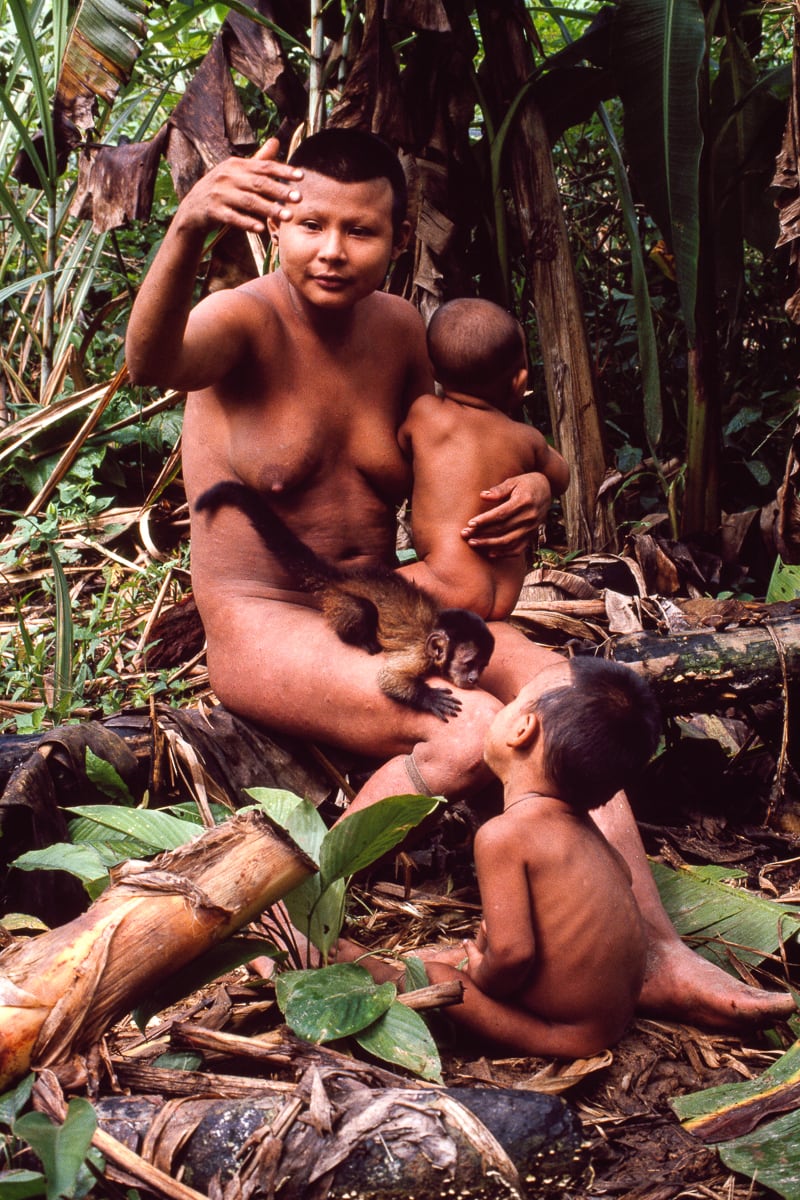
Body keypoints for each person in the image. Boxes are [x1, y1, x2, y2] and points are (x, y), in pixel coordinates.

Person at [126, 127, 796, 1032]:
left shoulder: (402, 331)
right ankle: (310, 923)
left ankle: (658, 952)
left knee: (571, 692)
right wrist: (185, 230)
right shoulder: (242, 320)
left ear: (399, 238)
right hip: (268, 616)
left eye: (359, 231)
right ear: (276, 224)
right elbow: (151, 364)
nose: (332, 250)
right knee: (483, 725)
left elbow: (478, 431)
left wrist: (533, 485)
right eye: (310, 224)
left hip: (388, 596)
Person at [419, 656, 660, 1057]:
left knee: (430, 976)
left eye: (514, 700)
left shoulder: (504, 835)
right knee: (467, 950)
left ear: (521, 728)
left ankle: (364, 971)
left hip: (562, 1033)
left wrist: (482, 976)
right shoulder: (592, 837)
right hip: (610, 1020)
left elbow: (512, 957)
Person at [398, 298, 569, 620]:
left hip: (442, 582)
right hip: (504, 597)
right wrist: (539, 477)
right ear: (519, 381)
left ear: (433, 370)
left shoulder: (425, 414)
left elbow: (403, 450)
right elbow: (561, 476)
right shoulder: (526, 439)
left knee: (361, 592)